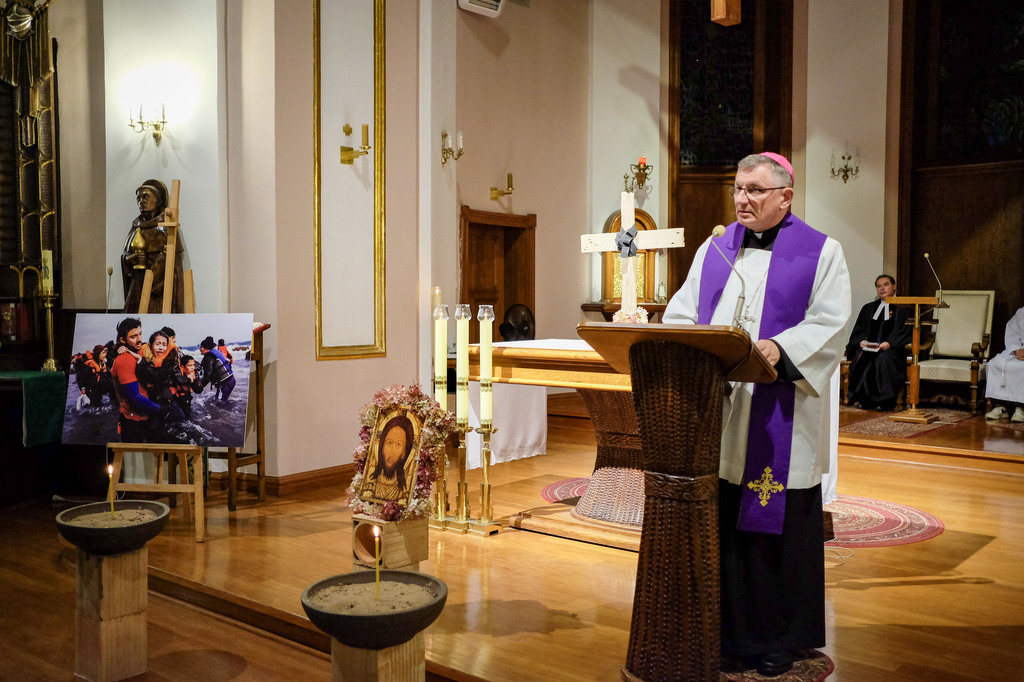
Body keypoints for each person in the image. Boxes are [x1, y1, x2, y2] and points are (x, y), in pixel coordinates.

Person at [662, 152, 851, 677]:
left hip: (778, 409)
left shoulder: (821, 252)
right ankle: (725, 631)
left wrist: (778, 349)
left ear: (785, 196)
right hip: (722, 412)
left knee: (774, 528)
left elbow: (833, 323)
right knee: (725, 517)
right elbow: (683, 311)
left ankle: (776, 638)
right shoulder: (716, 249)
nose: (742, 199)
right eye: (738, 189)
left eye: (755, 190)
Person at [845, 275, 912, 410]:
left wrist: (890, 343)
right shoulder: (868, 308)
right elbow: (859, 330)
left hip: (892, 350)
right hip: (870, 349)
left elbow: (906, 332)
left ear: (893, 287)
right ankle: (864, 399)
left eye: (886, 285)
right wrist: (861, 341)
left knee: (882, 359)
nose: (882, 288)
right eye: (879, 286)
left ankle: (885, 402)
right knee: (860, 357)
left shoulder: (904, 308)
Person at [121, 179, 186, 314]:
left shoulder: (166, 228)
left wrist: (159, 275)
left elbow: (176, 268)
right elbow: (125, 258)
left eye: (146, 197)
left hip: (158, 293)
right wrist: (130, 259)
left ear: (158, 200)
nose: (141, 201)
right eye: (138, 198)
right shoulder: (135, 227)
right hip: (137, 289)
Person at [109, 317, 162, 442]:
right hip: (134, 419)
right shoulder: (124, 359)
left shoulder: (140, 351)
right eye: (133, 337)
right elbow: (134, 398)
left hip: (146, 415)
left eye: (140, 334)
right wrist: (160, 409)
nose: (139, 339)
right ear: (122, 340)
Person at [362, 415, 416, 502]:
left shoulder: (403, 490)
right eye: (389, 443)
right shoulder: (371, 483)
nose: (392, 451)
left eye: (398, 444)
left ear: (404, 453)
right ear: (382, 446)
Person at [985, 305, 1024, 423]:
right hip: (1019, 351)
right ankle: (1001, 406)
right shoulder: (1021, 312)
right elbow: (1012, 334)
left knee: (1021, 368)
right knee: (994, 364)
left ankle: (1021, 408)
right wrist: (1016, 349)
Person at [198, 336, 236, 402]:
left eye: (201, 347)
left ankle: (231, 412)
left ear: (206, 348)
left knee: (221, 403)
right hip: (229, 380)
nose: (200, 349)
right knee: (218, 400)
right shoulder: (215, 352)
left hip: (226, 383)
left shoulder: (209, 357)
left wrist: (198, 387)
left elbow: (207, 376)